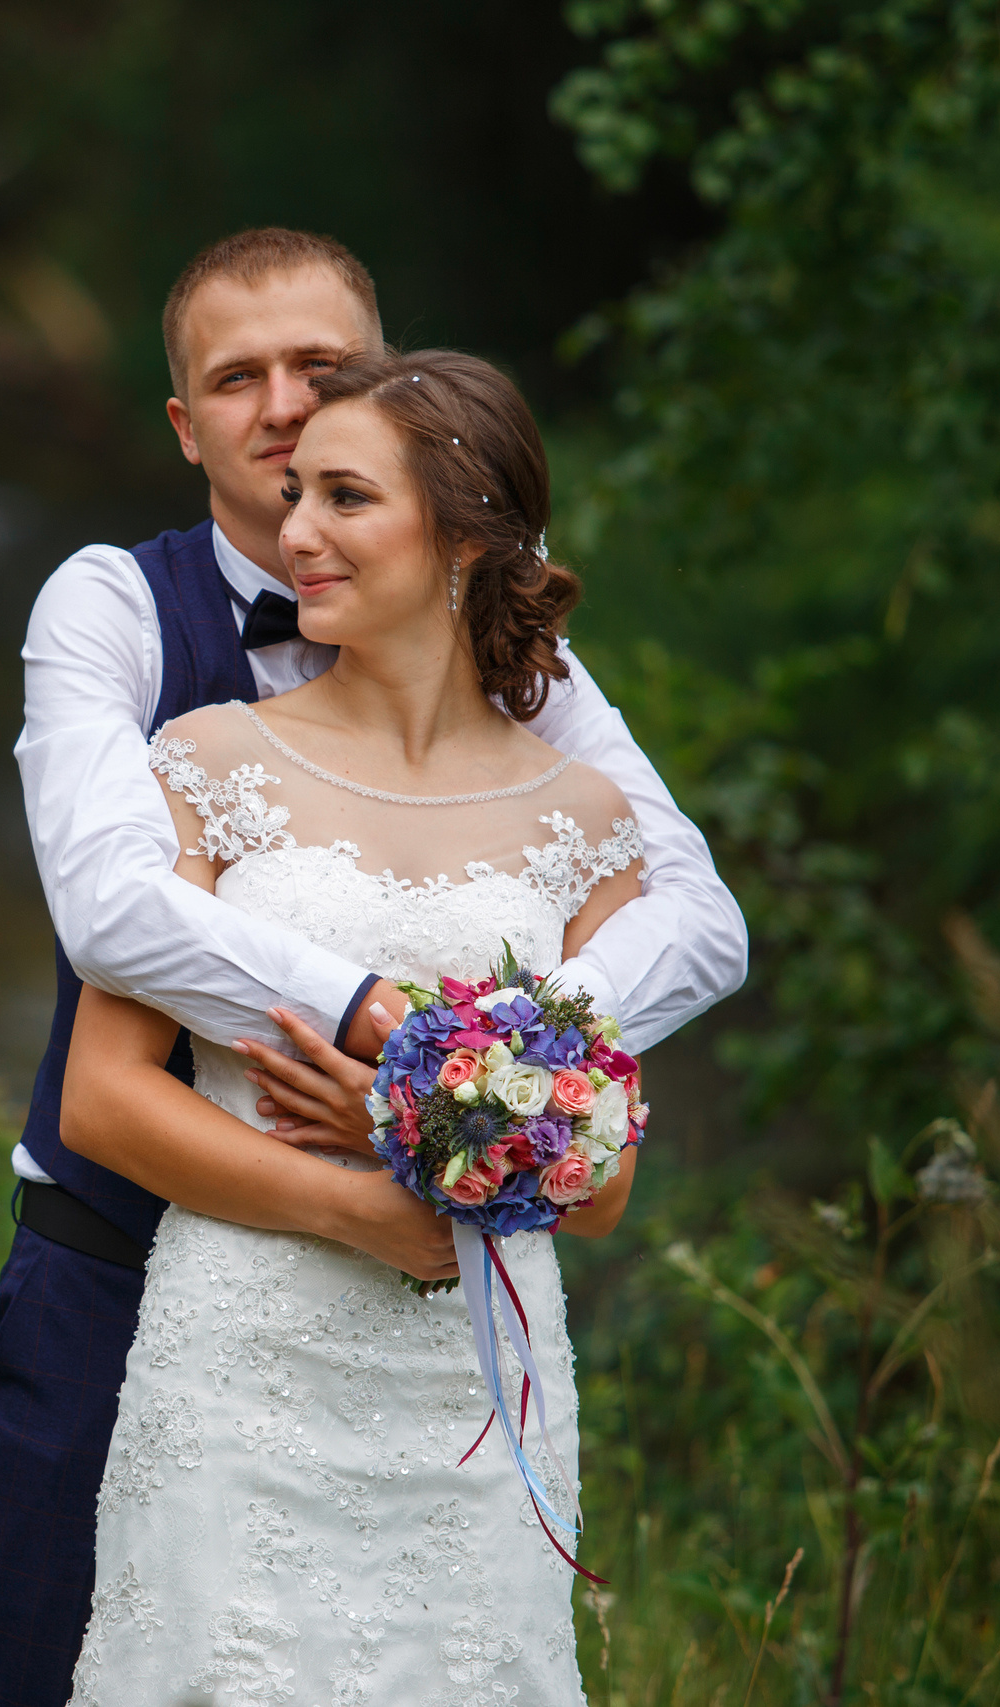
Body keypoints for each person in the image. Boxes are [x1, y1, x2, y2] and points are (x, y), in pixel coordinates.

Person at [0, 229, 746, 1707]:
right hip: (131, 1275)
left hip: (452, 1343)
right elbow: (111, 916)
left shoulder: (531, 689)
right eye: (236, 379)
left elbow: (693, 922)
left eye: (321, 370)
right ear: (184, 424)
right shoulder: (130, 629)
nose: (285, 409)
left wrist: (501, 1080)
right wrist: (398, 1050)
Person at [65, 345, 633, 1701]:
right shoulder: (207, 762)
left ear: (465, 535)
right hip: (243, 1369)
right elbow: (103, 1099)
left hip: (475, 1388)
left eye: (346, 498)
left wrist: (402, 1118)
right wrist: (357, 1206)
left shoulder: (587, 824)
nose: (297, 533)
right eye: (296, 496)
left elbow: (606, 1187)